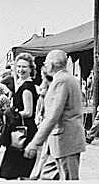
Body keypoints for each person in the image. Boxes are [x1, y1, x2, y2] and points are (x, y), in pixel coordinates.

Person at [24, 49, 86, 180]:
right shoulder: (69, 79)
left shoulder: (61, 81)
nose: (45, 67)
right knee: (50, 175)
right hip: (65, 139)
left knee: (68, 178)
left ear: (51, 65)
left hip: (65, 139)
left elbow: (52, 116)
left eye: (45, 64)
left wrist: (35, 142)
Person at [0, 52, 38, 180]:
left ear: (31, 69)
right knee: (15, 171)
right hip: (20, 131)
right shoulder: (21, 83)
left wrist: (12, 114)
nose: (20, 69)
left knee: (15, 171)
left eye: (24, 67)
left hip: (24, 132)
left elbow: (28, 112)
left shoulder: (26, 88)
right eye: (18, 66)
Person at [28, 66, 59, 180]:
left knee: (44, 149)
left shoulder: (49, 84)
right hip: (43, 112)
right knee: (45, 150)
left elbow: (43, 96)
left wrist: (39, 115)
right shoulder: (51, 83)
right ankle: (39, 172)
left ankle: (37, 173)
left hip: (45, 115)